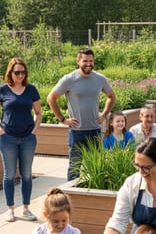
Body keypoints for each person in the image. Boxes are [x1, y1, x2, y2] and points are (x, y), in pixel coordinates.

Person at [47, 48, 116, 181]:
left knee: (97, 167)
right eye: (85, 61)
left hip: (95, 130)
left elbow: (111, 96)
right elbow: (51, 98)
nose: (88, 64)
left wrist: (104, 114)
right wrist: (63, 119)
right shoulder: (69, 79)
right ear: (78, 61)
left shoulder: (100, 79)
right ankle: (71, 197)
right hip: (76, 131)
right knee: (74, 167)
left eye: (91, 61)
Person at [0, 57, 42, 223]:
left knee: (27, 174)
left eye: (22, 72)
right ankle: (10, 209)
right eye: (17, 72)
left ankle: (26, 208)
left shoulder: (31, 90)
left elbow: (38, 112)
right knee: (9, 175)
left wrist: (34, 131)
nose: (20, 75)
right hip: (8, 139)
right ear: (10, 73)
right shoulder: (2, 90)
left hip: (27, 138)